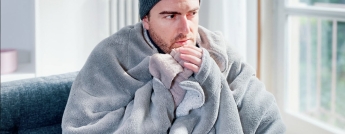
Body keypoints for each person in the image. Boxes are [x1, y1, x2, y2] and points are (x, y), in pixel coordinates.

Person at [61, 0, 286, 133]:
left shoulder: (218, 50)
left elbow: (267, 116)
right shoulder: (112, 55)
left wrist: (212, 79)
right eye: (171, 16)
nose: (186, 28)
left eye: (192, 13)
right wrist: (166, 93)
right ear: (146, 20)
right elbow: (80, 127)